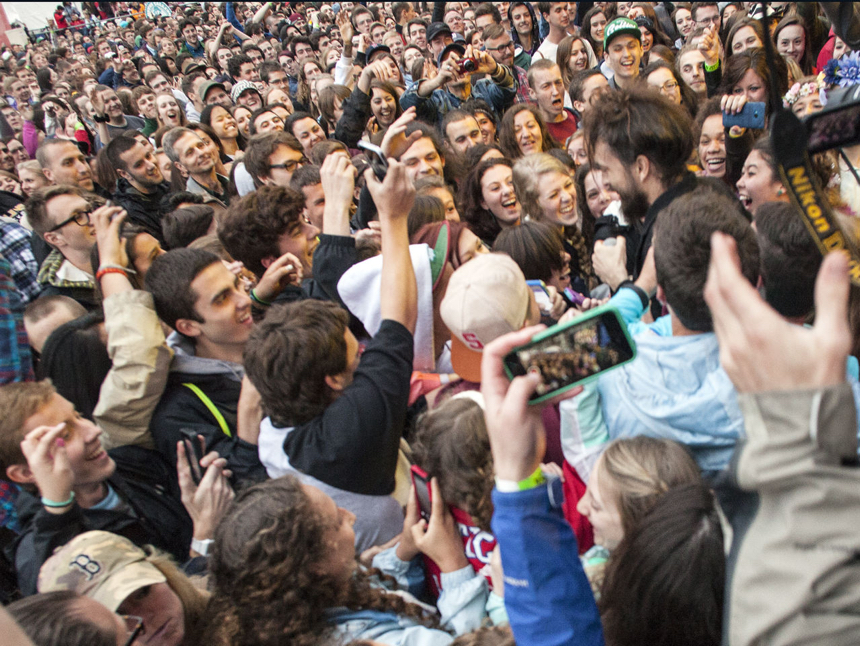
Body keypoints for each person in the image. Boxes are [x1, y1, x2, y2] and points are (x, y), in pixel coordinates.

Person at [245, 155, 417, 551]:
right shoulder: (348, 429)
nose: (365, 356)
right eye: (356, 356)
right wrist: (394, 219)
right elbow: (398, 319)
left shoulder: (274, 430)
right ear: (335, 380)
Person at [584, 85, 696, 279]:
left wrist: (617, 280)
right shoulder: (695, 198)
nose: (607, 182)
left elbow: (668, 310)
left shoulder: (678, 232)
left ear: (641, 167)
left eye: (607, 170)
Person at [38, 530, 211, 646]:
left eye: (143, 592)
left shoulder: (229, 595)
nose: (144, 618)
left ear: (161, 571)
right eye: (120, 616)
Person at [400, 42, 516, 127]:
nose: (458, 67)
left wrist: (495, 69)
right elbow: (406, 103)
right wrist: (436, 81)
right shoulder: (438, 100)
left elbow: (509, 88)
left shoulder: (484, 88)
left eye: (461, 61)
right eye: (450, 64)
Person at [26, 186, 99, 310]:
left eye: (89, 210)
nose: (93, 219)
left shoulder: (131, 249)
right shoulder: (60, 303)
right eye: (77, 216)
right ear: (55, 238)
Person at [106, 137, 171, 247]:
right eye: (139, 164)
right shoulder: (130, 214)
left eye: (148, 156)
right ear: (124, 174)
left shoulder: (165, 184)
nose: (151, 165)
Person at [458, 158, 521, 246]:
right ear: (483, 202)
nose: (507, 191)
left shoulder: (543, 223)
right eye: (495, 188)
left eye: (510, 182)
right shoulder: (483, 247)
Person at [162, 128, 230, 206]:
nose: (201, 153)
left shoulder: (235, 181)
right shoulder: (193, 206)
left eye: (200, 145)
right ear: (180, 166)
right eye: (190, 152)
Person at [528, 60, 577, 145]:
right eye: (546, 86)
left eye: (558, 83)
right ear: (532, 93)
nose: (555, 92)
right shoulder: (531, 133)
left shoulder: (578, 120)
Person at [603, 17, 643, 90]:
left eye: (631, 46)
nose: (626, 54)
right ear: (607, 57)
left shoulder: (657, 87)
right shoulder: (603, 96)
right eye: (618, 49)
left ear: (641, 49)